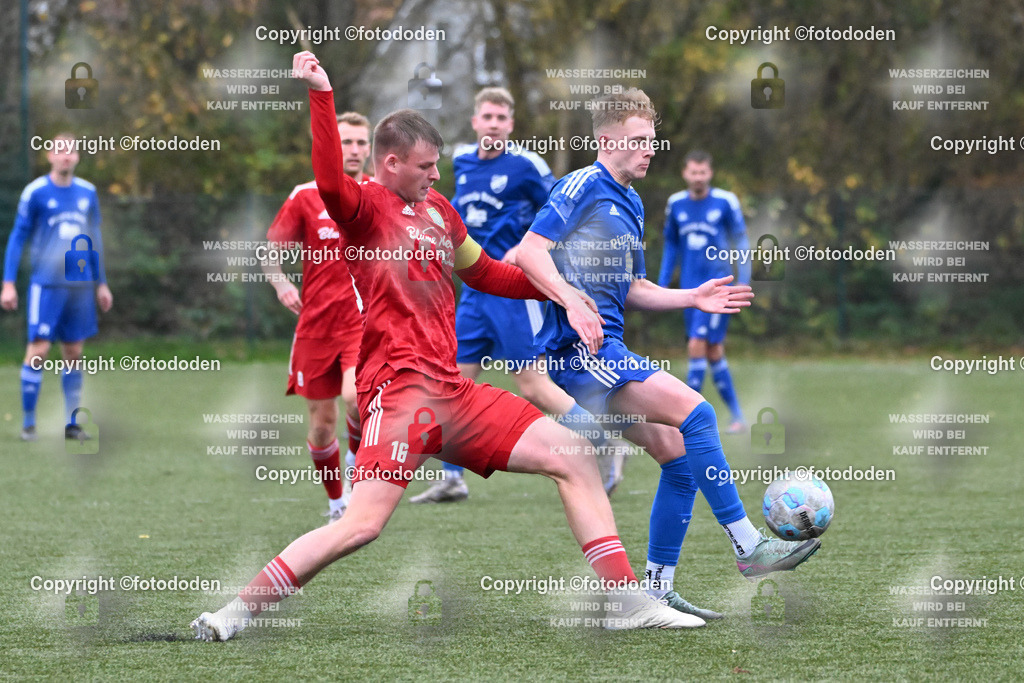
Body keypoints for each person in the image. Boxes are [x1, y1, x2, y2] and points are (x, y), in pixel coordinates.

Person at [190, 51, 708, 641]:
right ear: (390, 163)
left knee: (573, 454)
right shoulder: (362, 209)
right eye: (426, 166)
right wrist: (322, 94)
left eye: (438, 165)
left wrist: (565, 291)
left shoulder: (437, 210)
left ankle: (624, 601)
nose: (437, 176)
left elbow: (486, 272)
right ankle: (236, 611)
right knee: (360, 526)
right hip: (402, 394)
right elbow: (330, 176)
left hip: (454, 391)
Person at [515, 89, 821, 620]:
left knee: (676, 455)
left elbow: (632, 287)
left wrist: (692, 296)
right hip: (577, 351)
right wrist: (572, 303)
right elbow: (529, 251)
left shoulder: (631, 202)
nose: (649, 150)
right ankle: (749, 546)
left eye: (652, 140)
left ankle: (656, 590)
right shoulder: (583, 185)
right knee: (697, 414)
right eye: (638, 140)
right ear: (605, 139)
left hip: (607, 349)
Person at [412, 86, 616, 503]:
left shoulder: (526, 165)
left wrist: (527, 247)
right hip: (471, 293)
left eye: (501, 118)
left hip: (509, 290)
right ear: (475, 121)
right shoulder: (463, 161)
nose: (493, 124)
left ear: (511, 124)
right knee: (450, 383)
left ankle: (603, 442)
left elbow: (564, 210)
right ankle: (453, 478)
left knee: (533, 386)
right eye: (487, 117)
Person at [261, 112, 371, 523]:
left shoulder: (378, 194)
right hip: (315, 328)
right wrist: (281, 284)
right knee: (322, 426)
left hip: (361, 323)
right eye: (347, 142)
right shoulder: (306, 196)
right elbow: (271, 251)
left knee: (356, 398)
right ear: (331, 145)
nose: (356, 150)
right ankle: (336, 503)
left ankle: (358, 459)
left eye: (362, 142)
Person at [2, 132, 113, 442]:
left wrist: (101, 283)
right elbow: (17, 237)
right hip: (47, 285)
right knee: (38, 351)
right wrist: (8, 283)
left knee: (74, 352)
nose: (66, 156)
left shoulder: (87, 193)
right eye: (60, 151)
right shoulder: (35, 192)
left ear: (77, 156)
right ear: (49, 156)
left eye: (71, 151)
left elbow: (95, 240)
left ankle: (71, 424)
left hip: (79, 287)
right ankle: (28, 424)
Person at [658, 151, 750, 433]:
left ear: (710, 173)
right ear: (685, 174)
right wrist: (661, 286)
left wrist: (742, 281)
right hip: (689, 288)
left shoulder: (725, 201)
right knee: (712, 351)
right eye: (693, 172)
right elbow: (671, 245)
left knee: (696, 344)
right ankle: (738, 417)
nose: (698, 177)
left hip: (718, 287)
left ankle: (684, 419)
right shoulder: (675, 204)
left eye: (703, 172)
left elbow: (741, 241)